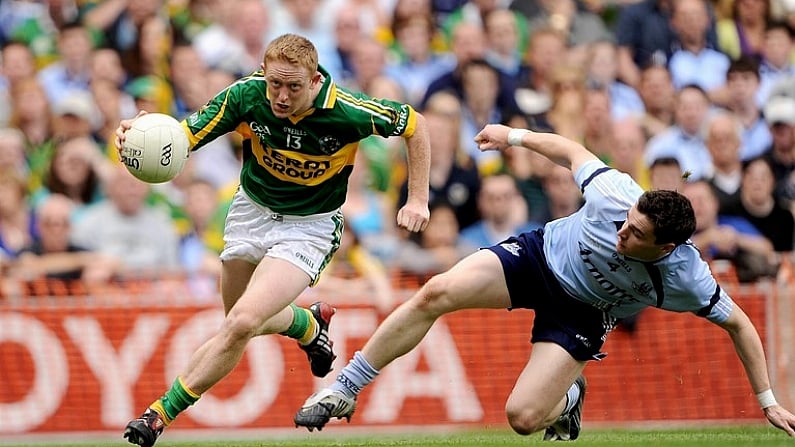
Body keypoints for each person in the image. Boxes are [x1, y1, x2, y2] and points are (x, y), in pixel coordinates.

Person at [293, 124, 795, 441]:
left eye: (636, 233)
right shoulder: (616, 195)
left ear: (665, 248)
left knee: (523, 418)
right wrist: (512, 137)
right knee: (436, 292)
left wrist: (767, 401)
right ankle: (346, 387)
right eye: (627, 220)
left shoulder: (686, 276)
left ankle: (569, 400)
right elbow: (571, 150)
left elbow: (741, 326)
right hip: (538, 257)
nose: (623, 230)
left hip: (583, 312)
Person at [116, 33, 430, 447]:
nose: (282, 96)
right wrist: (144, 136)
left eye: (294, 87)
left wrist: (419, 198)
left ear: (315, 79)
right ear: (263, 74)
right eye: (274, 84)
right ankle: (306, 323)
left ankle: (158, 414)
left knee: (242, 322)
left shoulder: (348, 111)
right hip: (250, 212)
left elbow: (415, 124)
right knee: (238, 318)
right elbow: (184, 136)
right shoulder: (245, 97)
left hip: (309, 227)